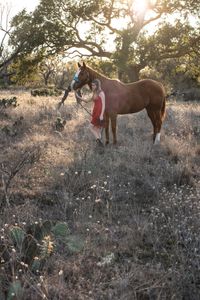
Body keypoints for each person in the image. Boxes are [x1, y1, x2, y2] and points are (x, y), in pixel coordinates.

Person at [76, 79, 105, 147]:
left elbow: (104, 104)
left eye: (94, 85)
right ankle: (100, 144)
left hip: (99, 112)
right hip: (95, 111)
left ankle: (99, 142)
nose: (92, 86)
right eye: (92, 85)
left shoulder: (101, 93)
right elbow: (87, 101)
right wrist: (78, 97)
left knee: (91, 127)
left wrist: (101, 115)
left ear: (97, 85)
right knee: (97, 129)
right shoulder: (95, 93)